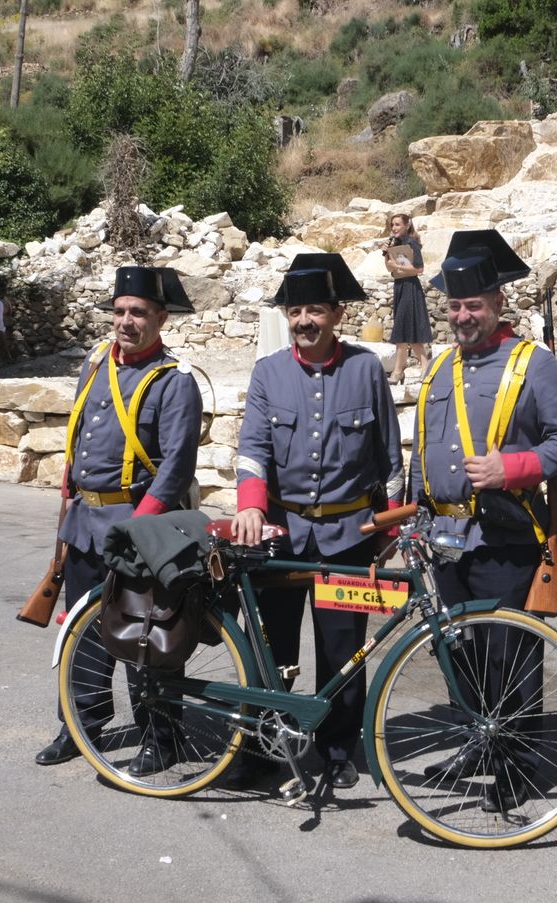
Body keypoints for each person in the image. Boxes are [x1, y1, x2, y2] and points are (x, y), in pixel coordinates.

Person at [406, 230, 557, 814]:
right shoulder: (441, 368)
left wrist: (513, 466)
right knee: (461, 654)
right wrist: (413, 516)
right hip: (444, 539)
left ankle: (520, 763)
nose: (462, 315)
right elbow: (420, 450)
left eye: (473, 304)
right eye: (454, 305)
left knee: (510, 655)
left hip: (506, 536)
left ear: (498, 304)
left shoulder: (536, 365)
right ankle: (480, 744)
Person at [231, 253, 403, 792]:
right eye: (295, 310)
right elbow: (254, 448)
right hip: (280, 535)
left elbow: (388, 458)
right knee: (270, 647)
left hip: (348, 539)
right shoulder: (268, 372)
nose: (304, 320)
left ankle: (336, 751)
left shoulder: (366, 369)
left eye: (315, 310)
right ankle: (265, 746)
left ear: (336, 315)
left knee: (341, 652)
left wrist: (388, 530)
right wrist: (252, 505)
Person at [35, 266, 203, 770]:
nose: (126, 322)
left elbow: (175, 467)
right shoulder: (96, 364)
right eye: (120, 312)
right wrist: (69, 501)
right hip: (86, 522)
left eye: (138, 313)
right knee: (84, 634)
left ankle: (160, 736)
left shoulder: (175, 382)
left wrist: (140, 526)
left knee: (145, 638)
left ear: (161, 319)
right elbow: (81, 435)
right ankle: (80, 725)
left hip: (140, 528)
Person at [382, 213, 430, 385]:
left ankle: (397, 372)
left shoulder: (411, 243)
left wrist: (396, 265)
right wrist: (387, 255)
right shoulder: (396, 243)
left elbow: (419, 269)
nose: (394, 228)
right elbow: (389, 269)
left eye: (397, 224)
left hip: (410, 287)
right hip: (399, 287)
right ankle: (425, 367)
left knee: (402, 329)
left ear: (407, 225)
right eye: (392, 225)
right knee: (407, 330)